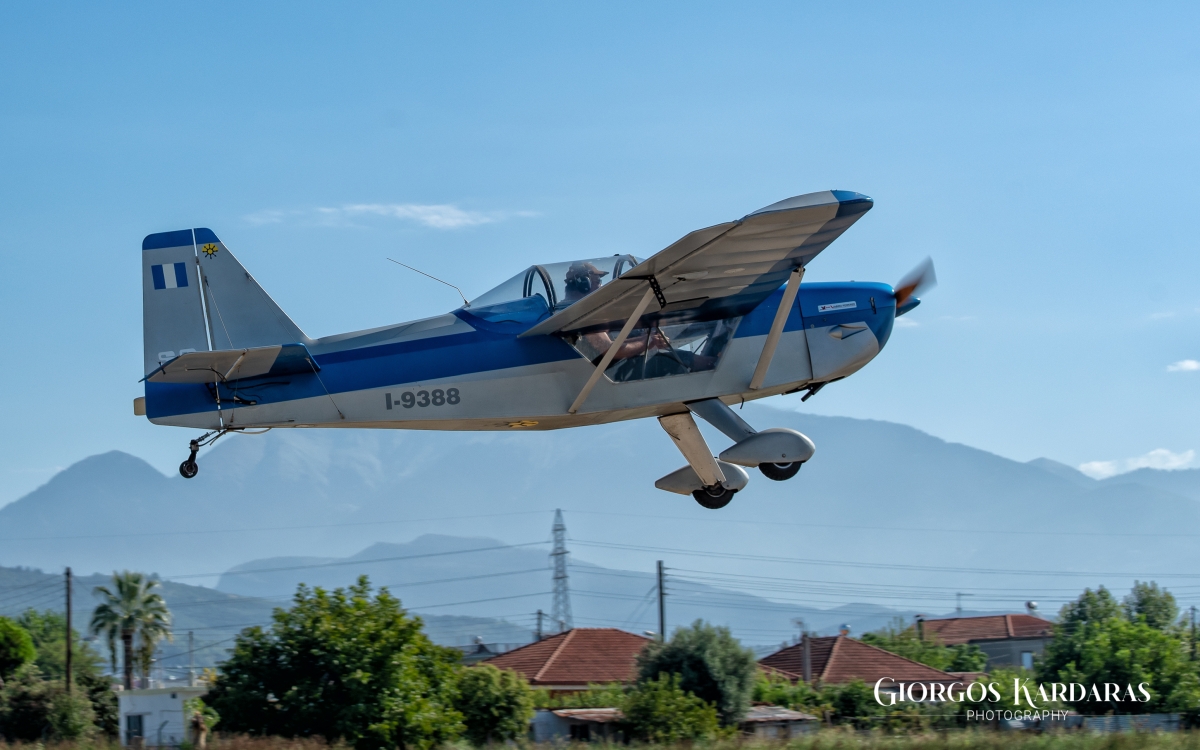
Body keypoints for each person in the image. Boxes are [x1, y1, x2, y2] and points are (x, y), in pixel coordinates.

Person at [563, 261, 668, 365]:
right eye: (598, 281)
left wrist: (648, 337)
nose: (601, 286)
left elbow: (610, 345)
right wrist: (647, 342)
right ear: (584, 285)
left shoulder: (565, 309)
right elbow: (611, 350)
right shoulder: (581, 313)